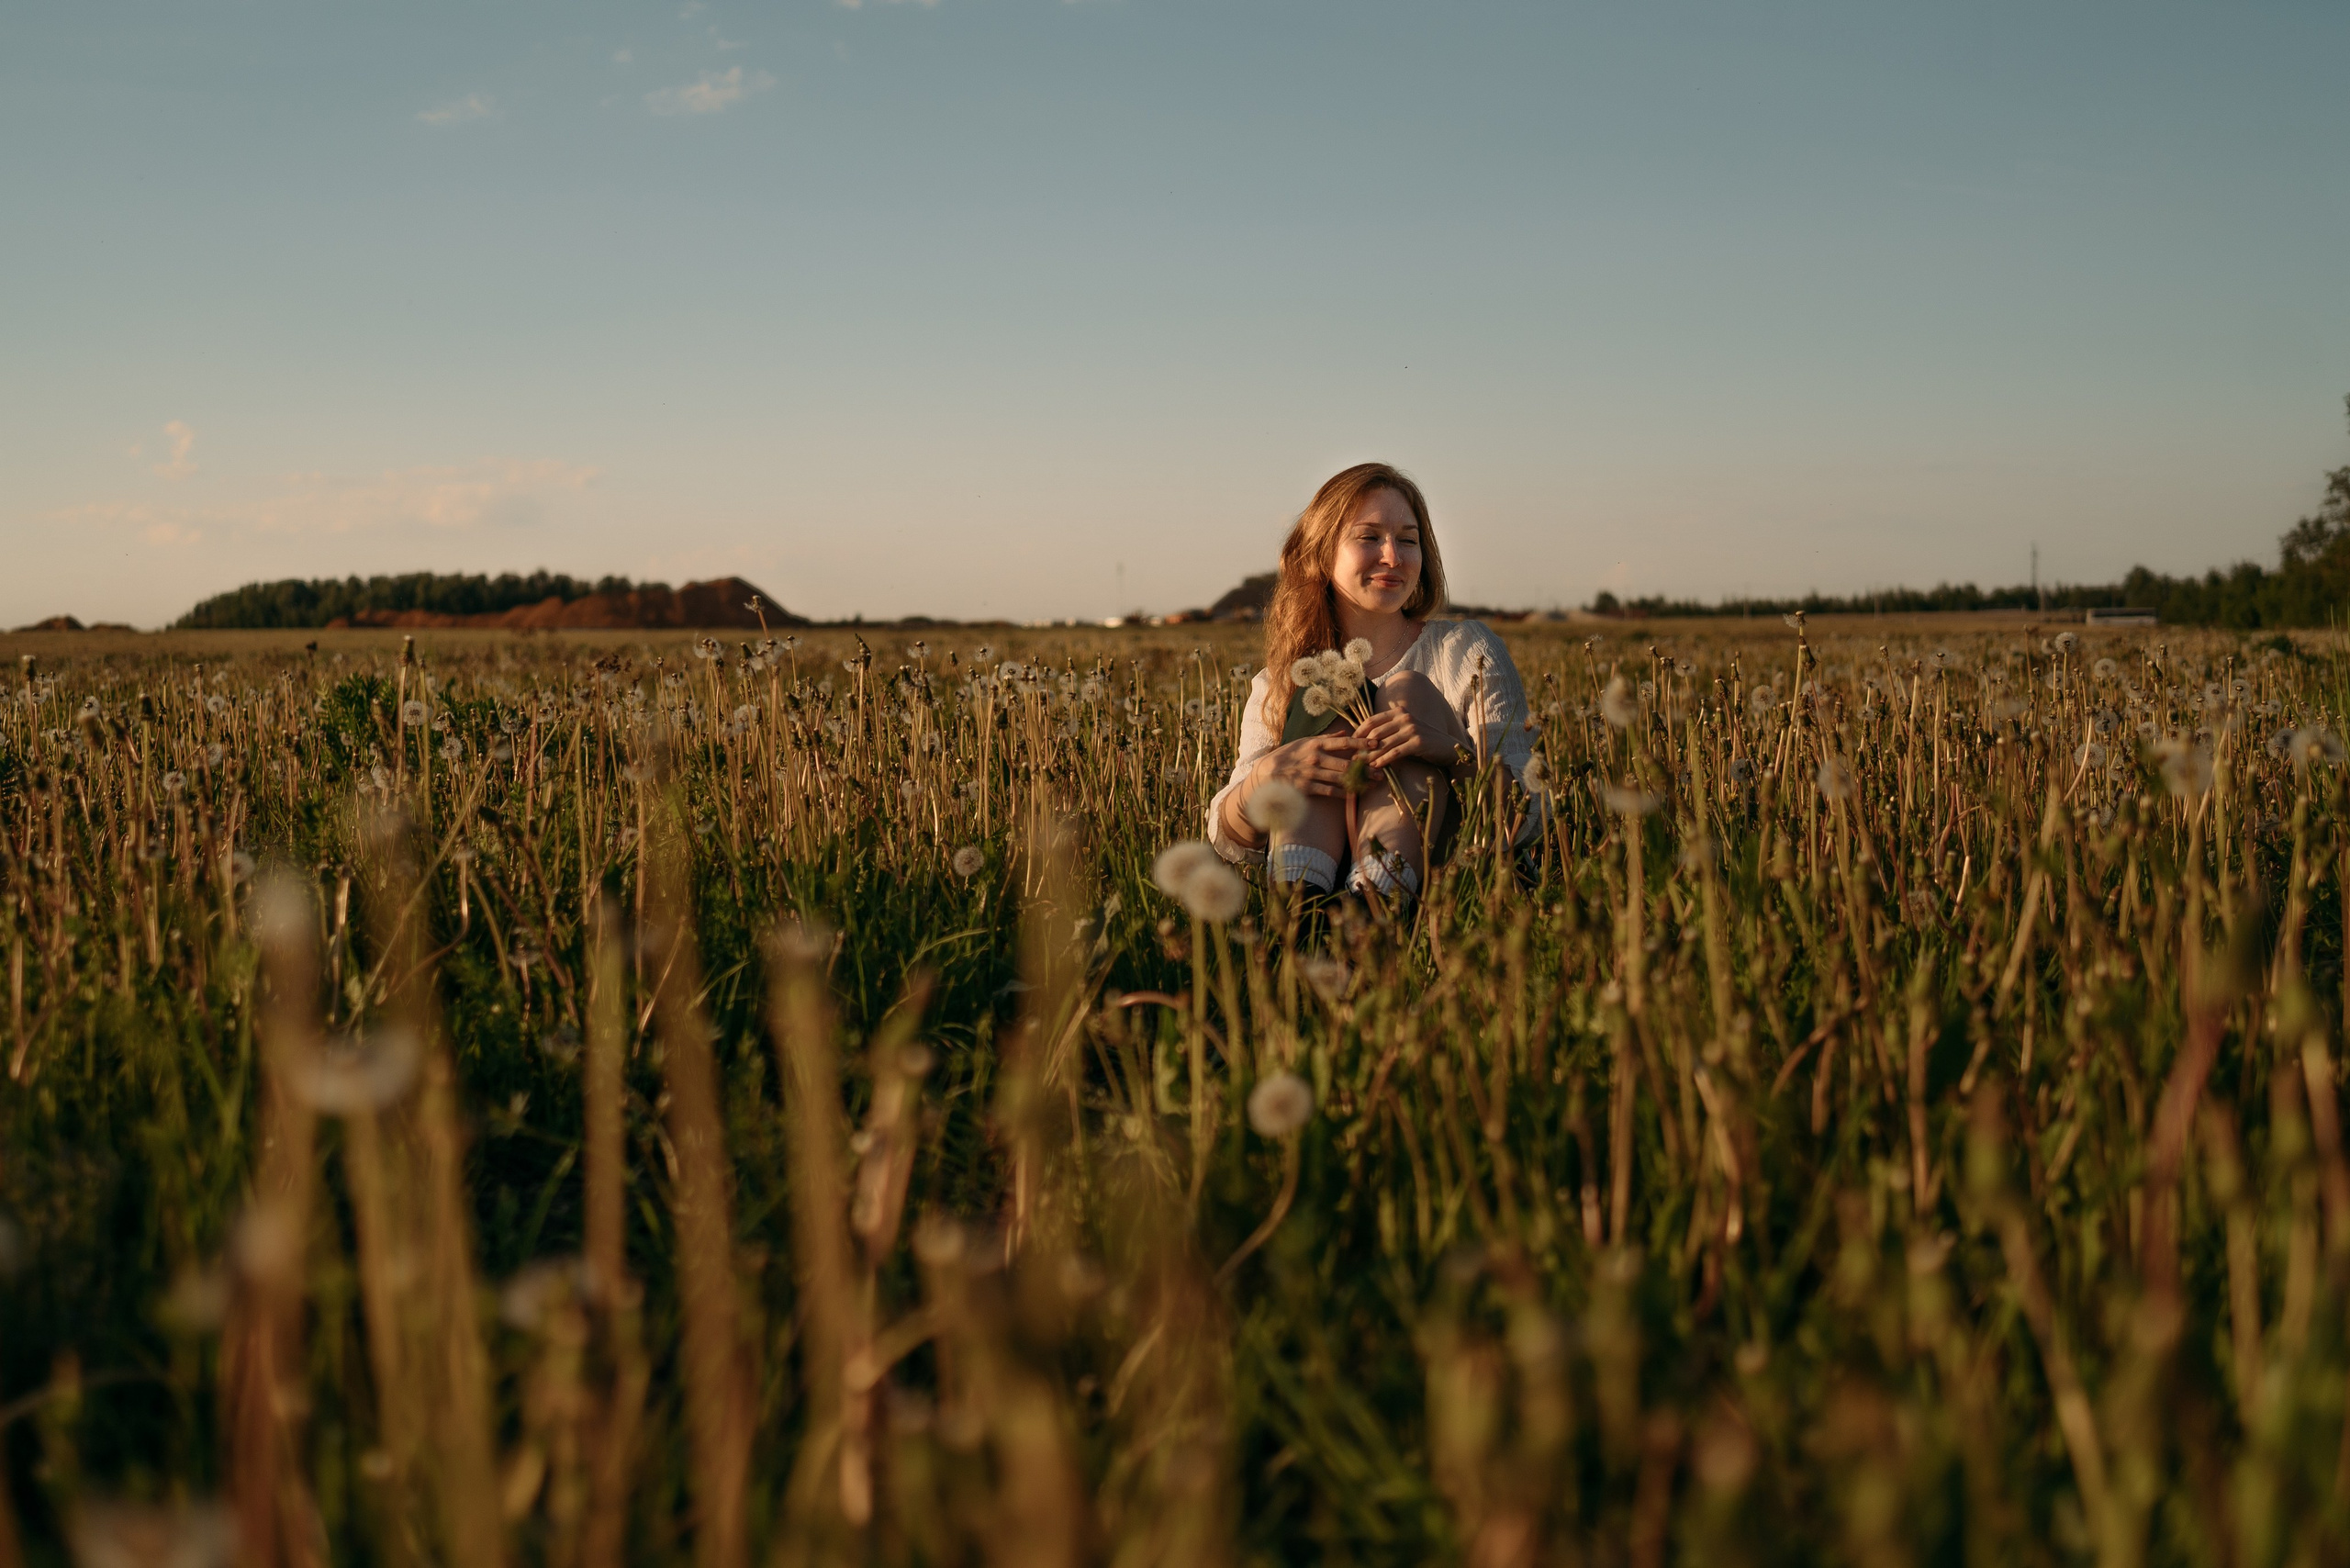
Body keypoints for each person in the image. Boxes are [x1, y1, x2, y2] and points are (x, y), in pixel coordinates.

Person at [1206, 462, 1544, 903]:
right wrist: (1267, 777)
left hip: (1447, 888)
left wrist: (1448, 750)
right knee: (1324, 702)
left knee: (1408, 693)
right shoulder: (1280, 682)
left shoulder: (1465, 651)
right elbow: (1228, 835)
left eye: (1408, 540)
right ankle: (1303, 907)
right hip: (1319, 888)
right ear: (1321, 553)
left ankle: (1378, 900)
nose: (1393, 556)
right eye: (1369, 537)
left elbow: (1529, 810)